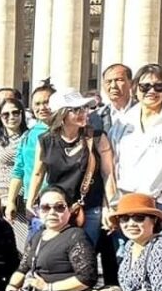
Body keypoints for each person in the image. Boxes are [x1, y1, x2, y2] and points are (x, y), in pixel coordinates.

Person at [110, 65, 162, 241]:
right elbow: (113, 165)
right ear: (135, 89)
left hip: (158, 204)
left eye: (159, 87)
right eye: (145, 86)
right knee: (125, 260)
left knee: (159, 260)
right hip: (125, 203)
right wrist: (111, 204)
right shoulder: (122, 122)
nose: (152, 91)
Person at [24, 91, 115, 246]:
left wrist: (111, 206)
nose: (83, 113)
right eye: (76, 109)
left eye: (85, 108)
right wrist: (30, 202)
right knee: (53, 253)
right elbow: (38, 173)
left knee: (83, 254)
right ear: (61, 114)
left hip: (88, 207)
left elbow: (108, 174)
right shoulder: (46, 140)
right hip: (56, 208)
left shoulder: (97, 137)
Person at [5, 86, 54, 222]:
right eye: (37, 104)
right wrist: (11, 201)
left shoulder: (63, 132)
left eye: (47, 102)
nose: (42, 107)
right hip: (32, 200)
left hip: (55, 200)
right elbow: (18, 170)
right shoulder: (28, 135)